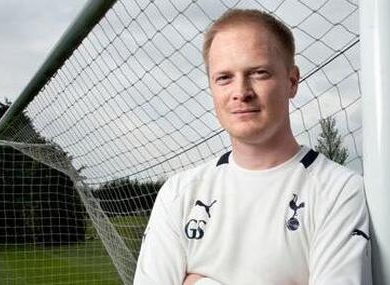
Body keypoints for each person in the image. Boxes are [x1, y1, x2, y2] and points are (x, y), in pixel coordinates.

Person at [134, 8, 372, 285]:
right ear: (212, 87)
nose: (241, 92)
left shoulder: (339, 190)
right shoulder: (179, 194)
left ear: (292, 81)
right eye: (224, 77)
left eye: (259, 73)